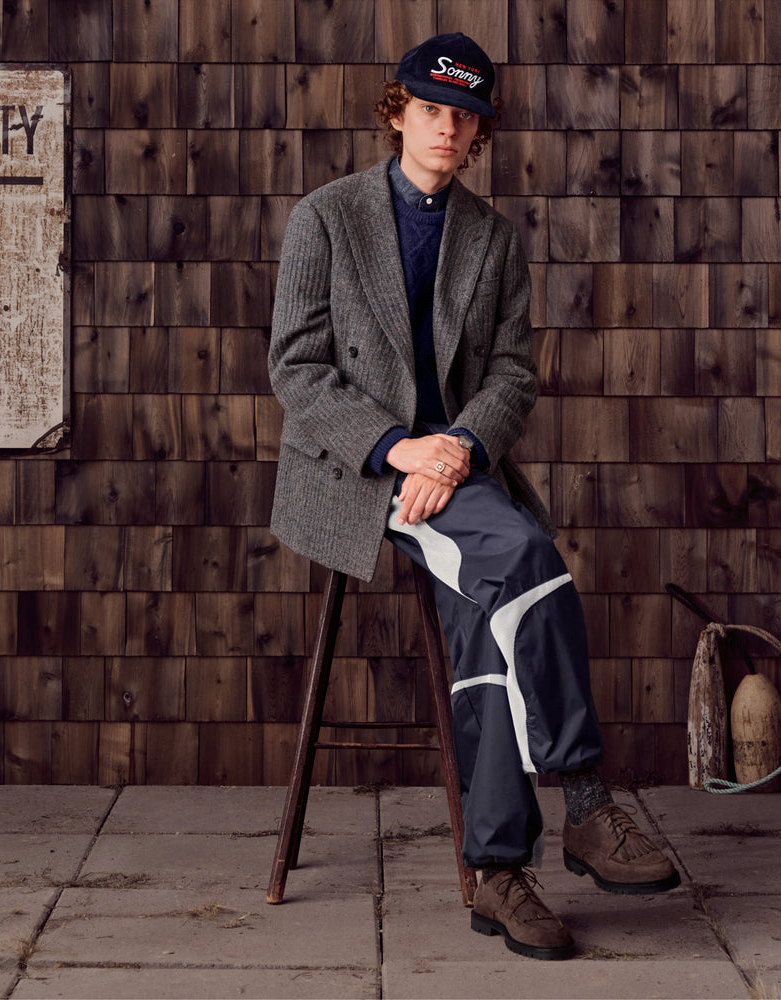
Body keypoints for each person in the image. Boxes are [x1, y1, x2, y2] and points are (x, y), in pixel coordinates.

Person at [268, 32, 680, 961]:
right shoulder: (324, 219)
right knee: (529, 557)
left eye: (463, 116)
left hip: (451, 472)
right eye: (430, 110)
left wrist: (454, 446)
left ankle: (496, 874)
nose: (446, 128)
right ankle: (581, 797)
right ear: (397, 113)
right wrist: (399, 447)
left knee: (489, 608)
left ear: (478, 130)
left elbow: (511, 375)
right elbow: (295, 368)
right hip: (355, 473)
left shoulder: (492, 239)